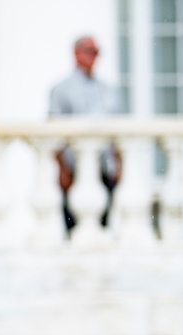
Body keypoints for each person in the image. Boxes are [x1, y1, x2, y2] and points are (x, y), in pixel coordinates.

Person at [49, 35, 123, 238]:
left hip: (104, 168)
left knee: (103, 226)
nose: (92, 57)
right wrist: (62, 170)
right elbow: (53, 134)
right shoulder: (61, 89)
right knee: (74, 227)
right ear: (76, 53)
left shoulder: (107, 89)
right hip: (74, 170)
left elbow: (117, 130)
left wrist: (119, 164)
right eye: (88, 51)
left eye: (96, 52)